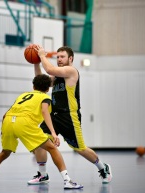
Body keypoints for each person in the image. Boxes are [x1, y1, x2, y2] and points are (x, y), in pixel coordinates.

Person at [0, 74, 83, 189]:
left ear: (33, 86)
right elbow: (45, 111)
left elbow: (5, 114)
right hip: (24, 122)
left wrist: (3, 130)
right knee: (52, 148)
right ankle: (67, 181)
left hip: (8, 121)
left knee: (4, 153)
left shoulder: (23, 95)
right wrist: (53, 132)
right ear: (48, 89)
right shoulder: (45, 98)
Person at [27, 45, 112, 185]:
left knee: (80, 148)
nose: (59, 59)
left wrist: (42, 55)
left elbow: (49, 69)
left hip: (69, 117)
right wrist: (36, 62)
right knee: (38, 141)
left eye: (62, 57)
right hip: (53, 116)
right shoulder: (56, 76)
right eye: (58, 57)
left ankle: (103, 167)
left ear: (70, 58)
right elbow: (40, 80)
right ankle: (42, 175)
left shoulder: (71, 71)